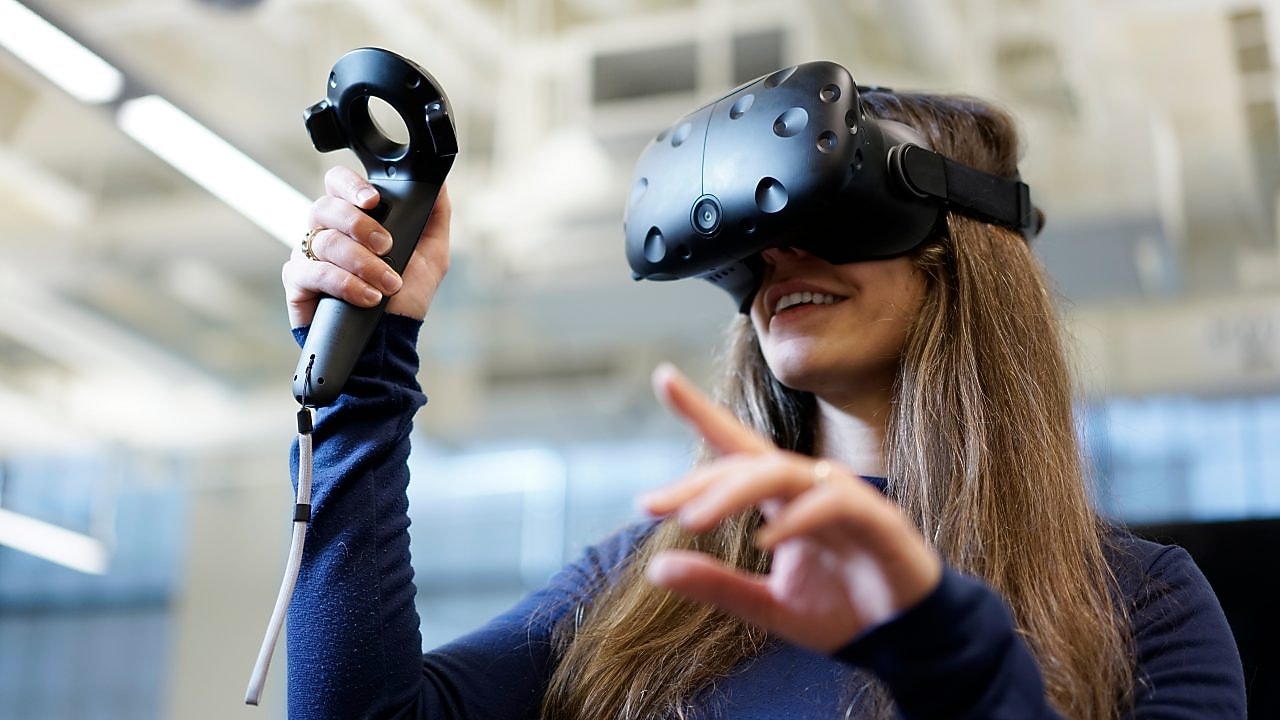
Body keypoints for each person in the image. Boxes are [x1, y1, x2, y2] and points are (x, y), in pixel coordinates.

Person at [279, 86, 1247, 719]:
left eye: (828, 211)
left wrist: (942, 654)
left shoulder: (1136, 603)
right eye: (753, 232)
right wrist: (367, 370)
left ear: (961, 249)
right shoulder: (648, 579)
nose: (778, 256)